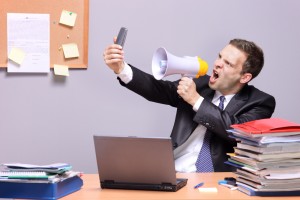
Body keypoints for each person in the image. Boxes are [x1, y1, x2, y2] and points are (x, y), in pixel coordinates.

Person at [103, 38, 276, 172]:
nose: (217, 64)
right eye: (220, 56)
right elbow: (158, 90)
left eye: (228, 63)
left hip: (219, 180)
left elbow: (234, 131)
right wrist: (121, 68)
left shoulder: (261, 102)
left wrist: (195, 100)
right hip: (175, 173)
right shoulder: (200, 84)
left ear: (245, 77)